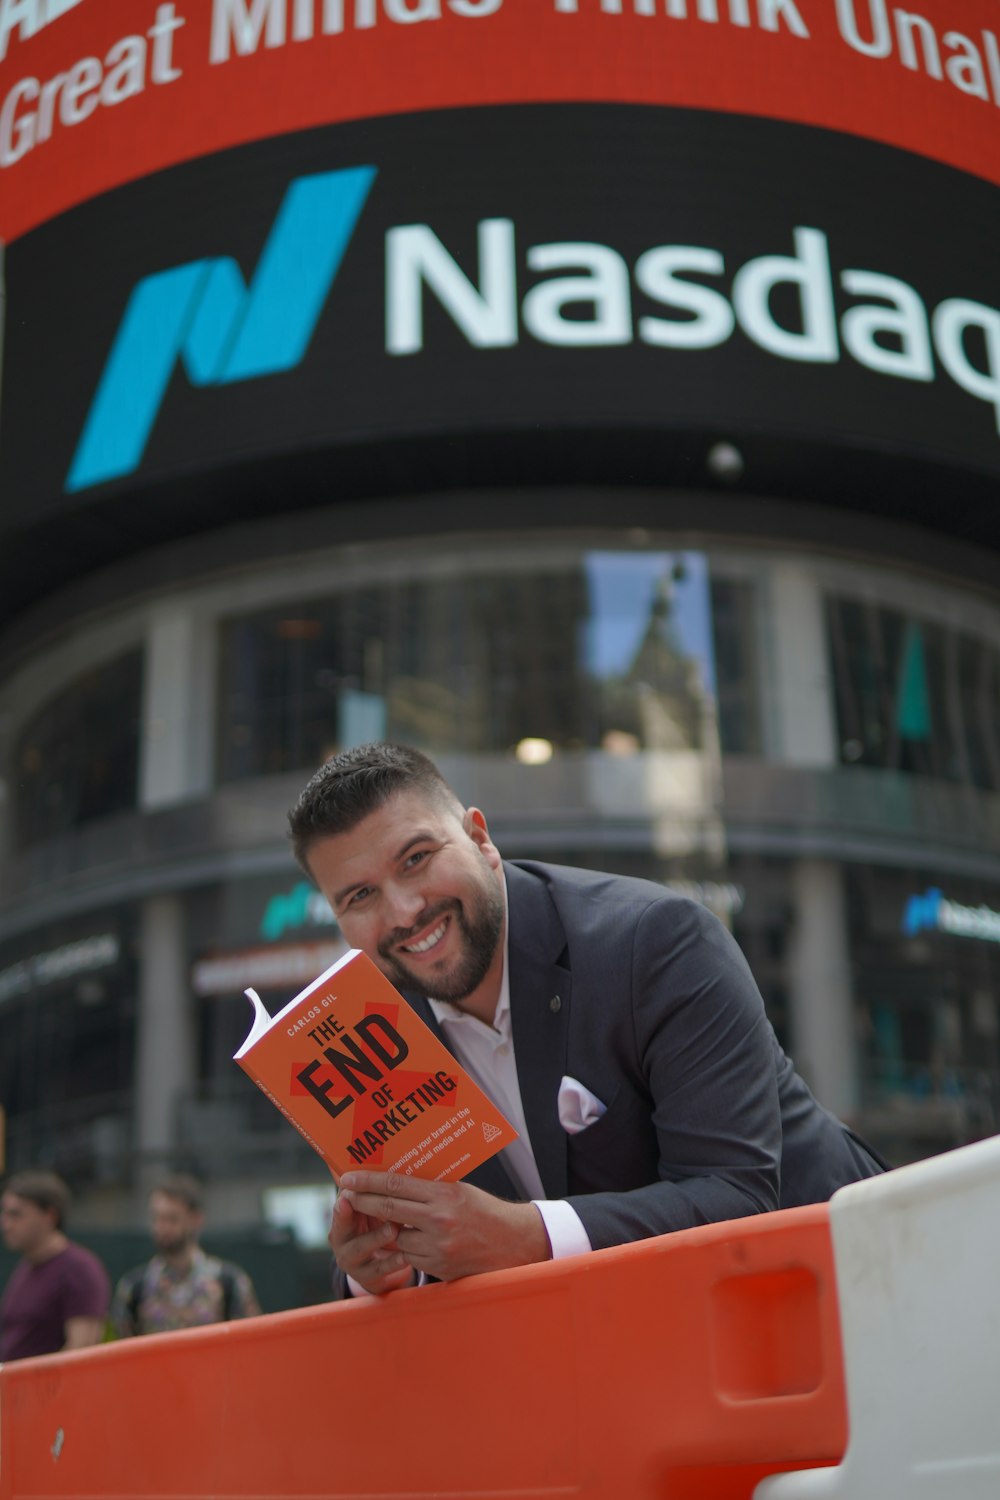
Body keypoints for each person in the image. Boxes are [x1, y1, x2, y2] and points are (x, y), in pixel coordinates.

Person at [287, 742, 888, 1297]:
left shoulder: (656, 940)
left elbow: (737, 1194)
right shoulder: (363, 1033)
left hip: (853, 1281)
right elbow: (413, 1244)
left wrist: (524, 1236)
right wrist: (381, 1270)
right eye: (358, 897)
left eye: (416, 859)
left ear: (479, 838)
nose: (403, 911)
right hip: (639, 1349)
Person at [111, 1173, 261, 1336]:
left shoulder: (228, 1282)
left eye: (172, 1218)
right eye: (156, 1218)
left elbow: (250, 1342)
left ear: (196, 1219)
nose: (161, 1227)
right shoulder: (135, 1287)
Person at [0, 1169, 110, 1359]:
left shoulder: (79, 1269)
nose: (6, 1224)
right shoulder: (27, 1266)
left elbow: (80, 1352)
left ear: (49, 1216)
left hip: (46, 1388)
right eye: (4, 1214)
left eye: (16, 1215)